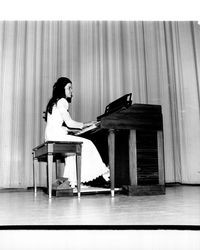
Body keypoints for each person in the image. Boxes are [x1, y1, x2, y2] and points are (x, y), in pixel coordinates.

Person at [44, 77, 109, 188]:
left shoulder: (54, 102)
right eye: (69, 88)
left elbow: (60, 125)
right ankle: (104, 174)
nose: (71, 91)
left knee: (71, 154)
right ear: (62, 89)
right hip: (56, 137)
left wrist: (74, 129)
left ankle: (73, 182)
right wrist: (86, 124)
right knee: (88, 144)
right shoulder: (62, 101)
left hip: (50, 136)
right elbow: (69, 123)